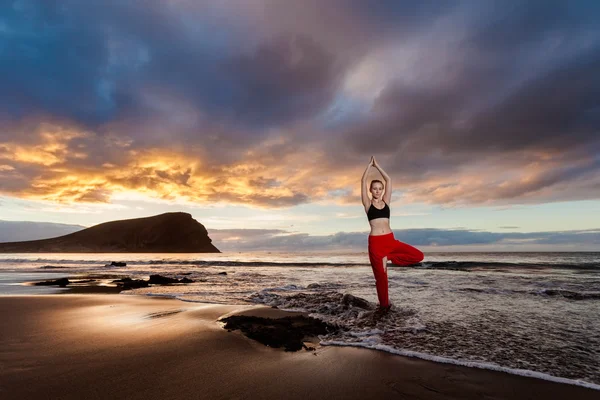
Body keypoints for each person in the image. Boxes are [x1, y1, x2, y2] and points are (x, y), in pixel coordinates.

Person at [361, 156, 424, 315]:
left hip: (390, 241)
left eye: (379, 188)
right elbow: (362, 182)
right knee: (381, 278)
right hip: (376, 243)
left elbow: (388, 180)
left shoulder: (387, 202)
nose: (377, 191)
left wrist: (377, 166)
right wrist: (369, 167)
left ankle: (390, 257)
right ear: (370, 190)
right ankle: (384, 307)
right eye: (374, 188)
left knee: (419, 255)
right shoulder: (368, 205)